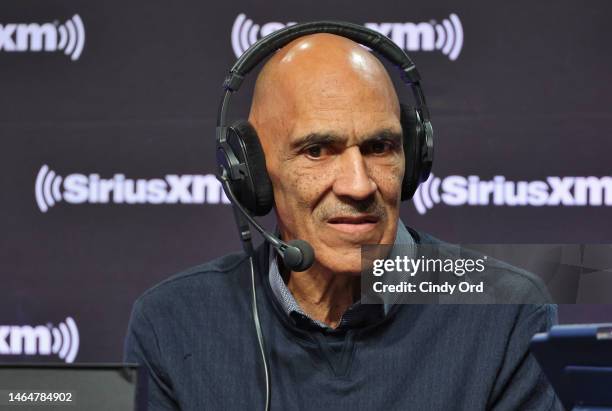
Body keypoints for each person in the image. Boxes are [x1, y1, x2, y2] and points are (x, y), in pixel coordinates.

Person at [124, 32, 561, 410]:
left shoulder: (506, 311)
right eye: (317, 151)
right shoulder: (173, 322)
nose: (358, 185)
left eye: (379, 147)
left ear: (412, 158)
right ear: (253, 172)